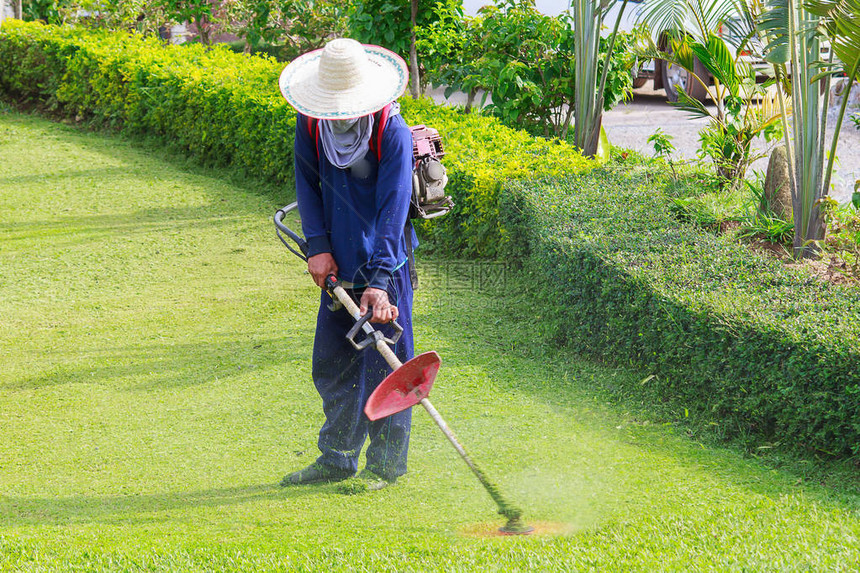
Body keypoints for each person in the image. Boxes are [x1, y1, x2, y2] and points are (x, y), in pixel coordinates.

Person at [277, 38, 417, 490]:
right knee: (334, 360)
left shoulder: (390, 133)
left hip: (385, 266)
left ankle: (386, 465)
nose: (337, 113)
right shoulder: (311, 124)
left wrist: (378, 282)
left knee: (387, 365)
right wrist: (317, 245)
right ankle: (337, 457)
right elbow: (307, 183)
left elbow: (393, 209)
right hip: (335, 262)